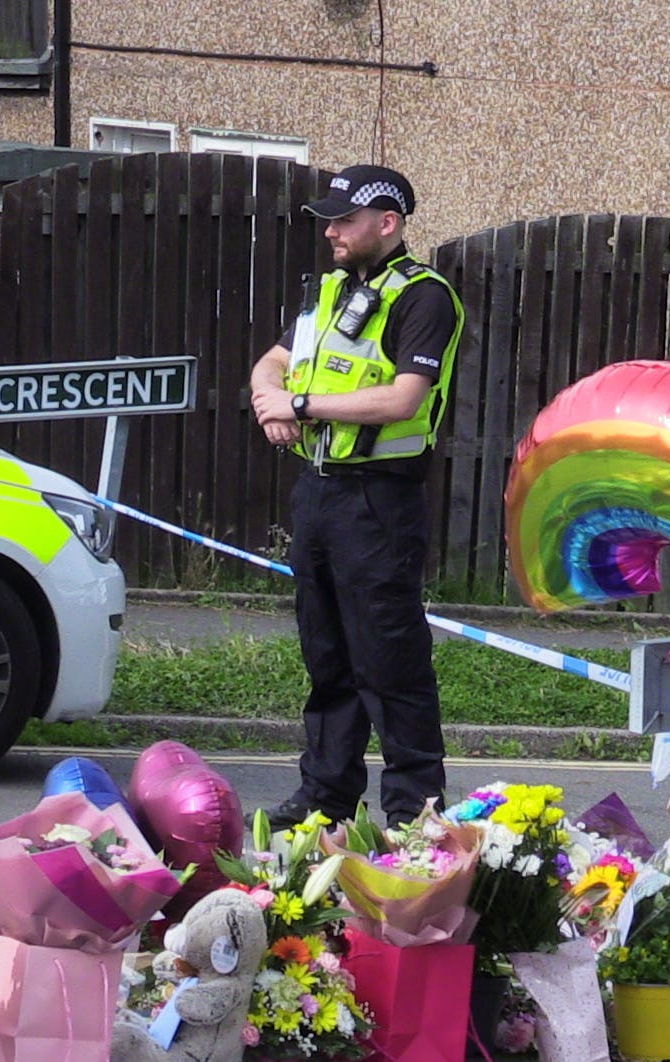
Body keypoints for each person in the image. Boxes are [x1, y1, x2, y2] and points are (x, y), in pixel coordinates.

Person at [247, 164, 465, 829]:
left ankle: (413, 811)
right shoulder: (329, 291)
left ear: (388, 223)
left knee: (389, 660)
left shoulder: (424, 298)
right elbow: (271, 362)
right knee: (328, 657)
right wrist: (269, 402)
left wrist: (303, 405)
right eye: (328, 220)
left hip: (379, 501)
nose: (331, 231)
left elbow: (403, 398)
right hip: (318, 493)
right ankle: (325, 798)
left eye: (343, 220)